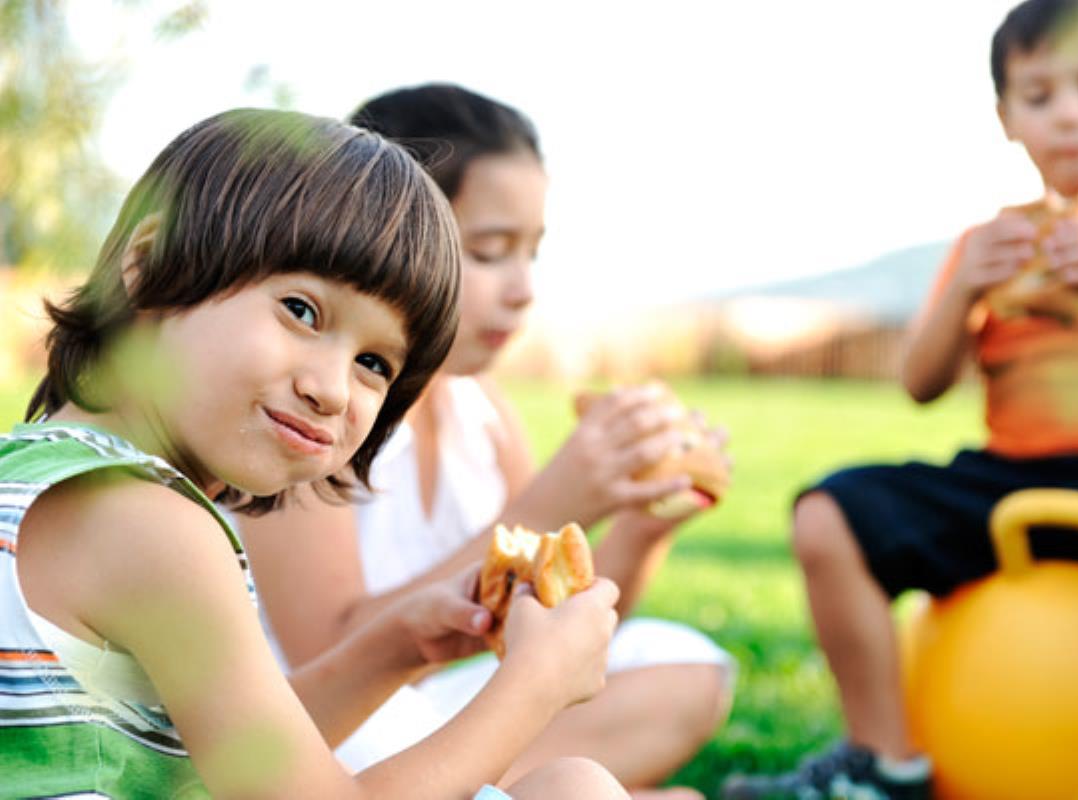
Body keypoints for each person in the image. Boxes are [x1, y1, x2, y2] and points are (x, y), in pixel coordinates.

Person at [0, 107, 629, 800]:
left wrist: (391, 651)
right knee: (577, 791)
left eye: (374, 363)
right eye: (301, 310)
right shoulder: (150, 526)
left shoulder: (43, 474)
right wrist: (534, 687)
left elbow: (224, 770)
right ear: (149, 267)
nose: (331, 389)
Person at [722, 1, 1078, 798]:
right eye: (1040, 96)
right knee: (828, 514)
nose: (1070, 115)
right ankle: (881, 761)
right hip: (1008, 475)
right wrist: (967, 293)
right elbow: (921, 384)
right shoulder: (989, 244)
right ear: (1007, 119)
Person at [239, 84, 733, 800]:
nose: (524, 287)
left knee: (690, 668)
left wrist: (643, 523)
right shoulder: (315, 413)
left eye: (532, 252)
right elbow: (329, 648)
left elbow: (552, 612)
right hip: (332, 707)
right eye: (491, 252)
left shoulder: (482, 408)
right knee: (387, 734)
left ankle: (493, 778)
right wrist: (555, 496)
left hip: (442, 695)